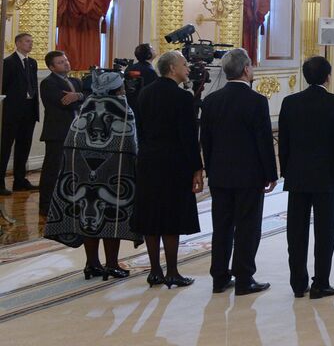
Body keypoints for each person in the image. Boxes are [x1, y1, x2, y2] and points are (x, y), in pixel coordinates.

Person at [44, 69, 139, 279]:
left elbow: (73, 139)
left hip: (82, 172)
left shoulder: (86, 105)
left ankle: (92, 264)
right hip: (115, 172)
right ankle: (112, 264)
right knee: (111, 218)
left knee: (88, 219)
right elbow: (130, 142)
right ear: (117, 89)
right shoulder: (122, 108)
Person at [200, 48, 278, 295]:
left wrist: (210, 169)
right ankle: (244, 278)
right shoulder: (256, 101)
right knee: (247, 226)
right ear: (246, 69)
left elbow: (206, 141)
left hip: (220, 174)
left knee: (221, 226)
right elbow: (263, 141)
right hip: (249, 175)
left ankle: (219, 277)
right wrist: (271, 173)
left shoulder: (211, 101)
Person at [279, 56, 334, 299]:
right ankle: (321, 282)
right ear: (328, 77)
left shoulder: (290, 103)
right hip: (325, 176)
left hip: (297, 176)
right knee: (325, 231)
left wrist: (285, 171)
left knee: (296, 232)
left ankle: (298, 284)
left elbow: (284, 143)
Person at [132, 50, 203, 288]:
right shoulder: (182, 98)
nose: (188, 68)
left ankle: (154, 271)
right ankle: (172, 270)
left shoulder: (145, 93)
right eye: (184, 64)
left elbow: (139, 131)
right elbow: (189, 137)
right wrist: (197, 168)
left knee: (151, 214)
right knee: (171, 216)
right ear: (172, 68)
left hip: (148, 160)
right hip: (174, 162)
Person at [37, 50, 84, 215]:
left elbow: (88, 98)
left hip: (77, 131)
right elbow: (64, 103)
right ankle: (46, 205)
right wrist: (78, 99)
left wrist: (78, 96)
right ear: (51, 67)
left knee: (73, 169)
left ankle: (68, 202)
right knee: (53, 169)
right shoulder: (48, 83)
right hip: (57, 132)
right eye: (60, 62)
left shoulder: (75, 81)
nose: (66, 63)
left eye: (66, 60)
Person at [0, 32, 39, 195]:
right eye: (27, 41)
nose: (30, 44)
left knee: (24, 146)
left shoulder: (32, 63)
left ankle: (20, 180)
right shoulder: (8, 62)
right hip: (12, 112)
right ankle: (0, 182)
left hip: (28, 111)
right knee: (5, 147)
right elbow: (4, 86)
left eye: (31, 41)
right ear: (17, 44)